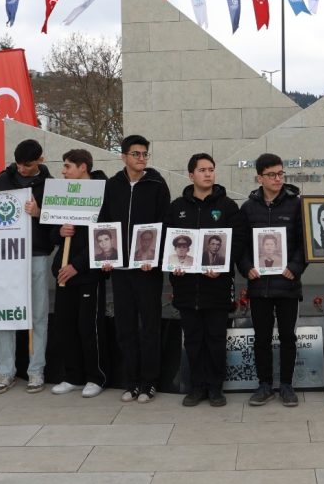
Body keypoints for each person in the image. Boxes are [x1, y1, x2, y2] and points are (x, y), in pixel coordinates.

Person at [164, 153, 247, 408]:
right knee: (193, 340)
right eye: (202, 170)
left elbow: (238, 241)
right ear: (191, 175)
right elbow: (168, 242)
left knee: (215, 339)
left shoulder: (227, 206)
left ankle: (215, 388)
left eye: (211, 169)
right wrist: (173, 268)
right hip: (187, 287)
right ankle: (197, 387)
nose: (208, 174)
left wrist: (221, 268)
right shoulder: (177, 207)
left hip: (217, 287)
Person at [96, 135, 170, 403]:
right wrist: (104, 254)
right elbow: (103, 221)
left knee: (149, 325)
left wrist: (156, 257)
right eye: (136, 154)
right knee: (124, 326)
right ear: (124, 156)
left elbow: (164, 224)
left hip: (147, 268)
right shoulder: (112, 186)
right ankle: (131, 381)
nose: (141, 158)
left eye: (144, 154)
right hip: (119, 268)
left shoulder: (157, 185)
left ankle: (149, 382)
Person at [239, 153, 305, 408]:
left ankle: (287, 386)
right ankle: (264, 384)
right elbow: (241, 245)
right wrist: (247, 268)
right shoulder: (248, 207)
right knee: (262, 338)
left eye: (280, 173)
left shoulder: (295, 204)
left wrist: (295, 267)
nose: (278, 178)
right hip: (259, 286)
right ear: (259, 178)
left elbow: (303, 243)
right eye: (272, 175)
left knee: (288, 337)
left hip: (288, 284)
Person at [0, 140, 55, 394]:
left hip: (37, 254)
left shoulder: (50, 186)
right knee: (5, 314)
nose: (22, 168)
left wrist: (40, 213)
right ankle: (5, 371)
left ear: (40, 159)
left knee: (38, 315)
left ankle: (36, 370)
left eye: (27, 164)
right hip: (5, 257)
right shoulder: (2, 182)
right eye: (18, 164)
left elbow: (58, 224)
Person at [50, 149, 109, 399]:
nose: (63, 172)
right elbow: (52, 232)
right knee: (66, 326)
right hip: (64, 274)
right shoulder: (63, 194)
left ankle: (96, 376)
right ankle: (73, 375)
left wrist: (77, 265)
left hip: (87, 274)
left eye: (67, 167)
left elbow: (102, 236)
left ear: (83, 167)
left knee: (88, 327)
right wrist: (59, 232)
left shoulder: (100, 194)